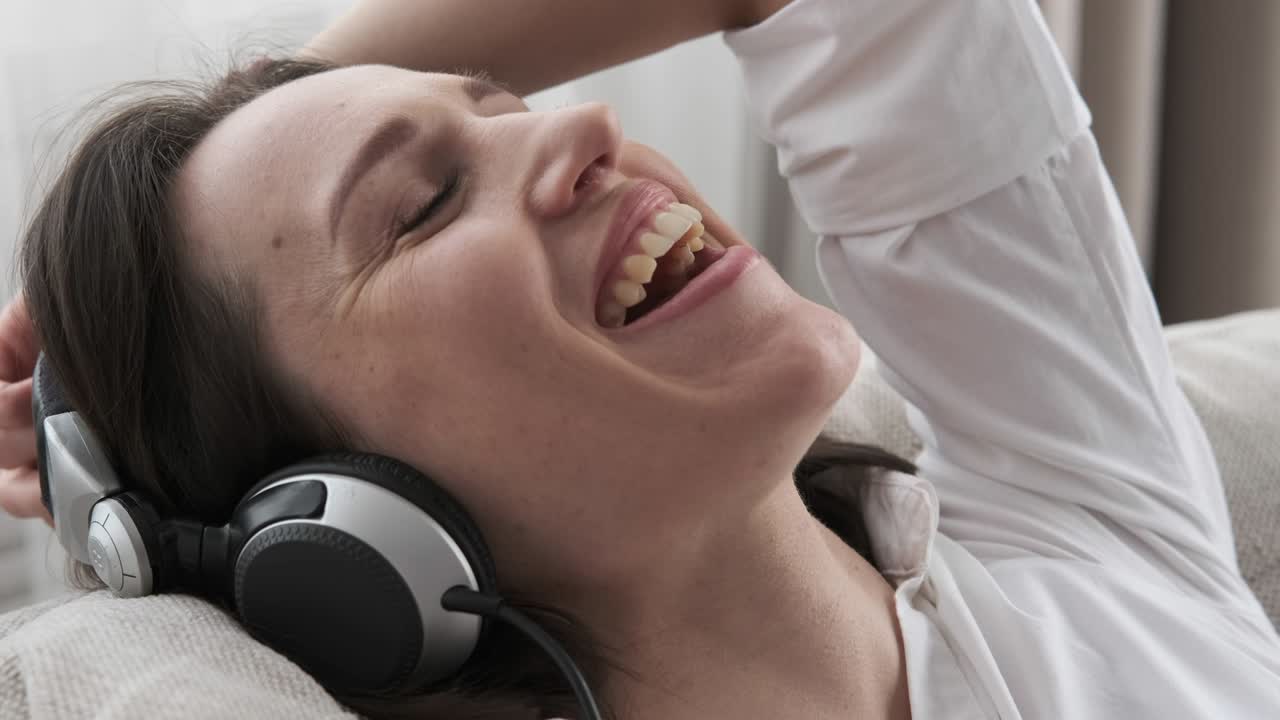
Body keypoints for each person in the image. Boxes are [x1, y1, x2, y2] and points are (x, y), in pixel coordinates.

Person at [2, 0, 1279, 718]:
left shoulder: (1079, 520)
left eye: (503, 109)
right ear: (336, 531)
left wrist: (275, 98)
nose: (591, 128)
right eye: (424, 206)